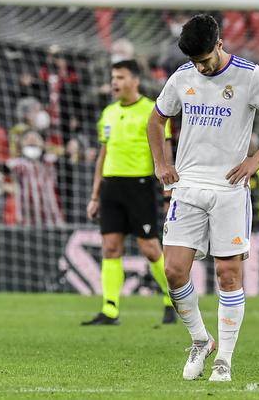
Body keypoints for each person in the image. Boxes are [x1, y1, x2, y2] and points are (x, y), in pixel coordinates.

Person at [147, 15, 259, 381]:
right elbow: (155, 120)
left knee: (228, 274)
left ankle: (224, 360)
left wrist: (257, 158)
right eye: (195, 61)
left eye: (205, 59)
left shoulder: (250, 76)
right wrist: (160, 163)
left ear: (219, 43)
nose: (201, 66)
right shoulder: (183, 77)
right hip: (187, 186)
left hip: (229, 189)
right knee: (173, 270)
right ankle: (201, 340)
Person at [82, 60, 176, 326]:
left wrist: (168, 190)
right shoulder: (108, 113)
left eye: (120, 77)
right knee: (110, 247)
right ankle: (110, 309)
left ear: (135, 80)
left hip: (140, 186)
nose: (115, 82)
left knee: (149, 248)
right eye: (113, 77)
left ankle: (172, 297)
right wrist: (94, 195)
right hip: (111, 186)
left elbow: (165, 151)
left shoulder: (152, 111)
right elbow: (103, 154)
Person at [3, 129, 64, 226]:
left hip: (52, 221)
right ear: (20, 144)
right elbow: (3, 169)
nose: (32, 140)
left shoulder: (52, 161)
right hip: (26, 222)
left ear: (43, 143)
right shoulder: (16, 163)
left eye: (36, 138)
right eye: (27, 138)